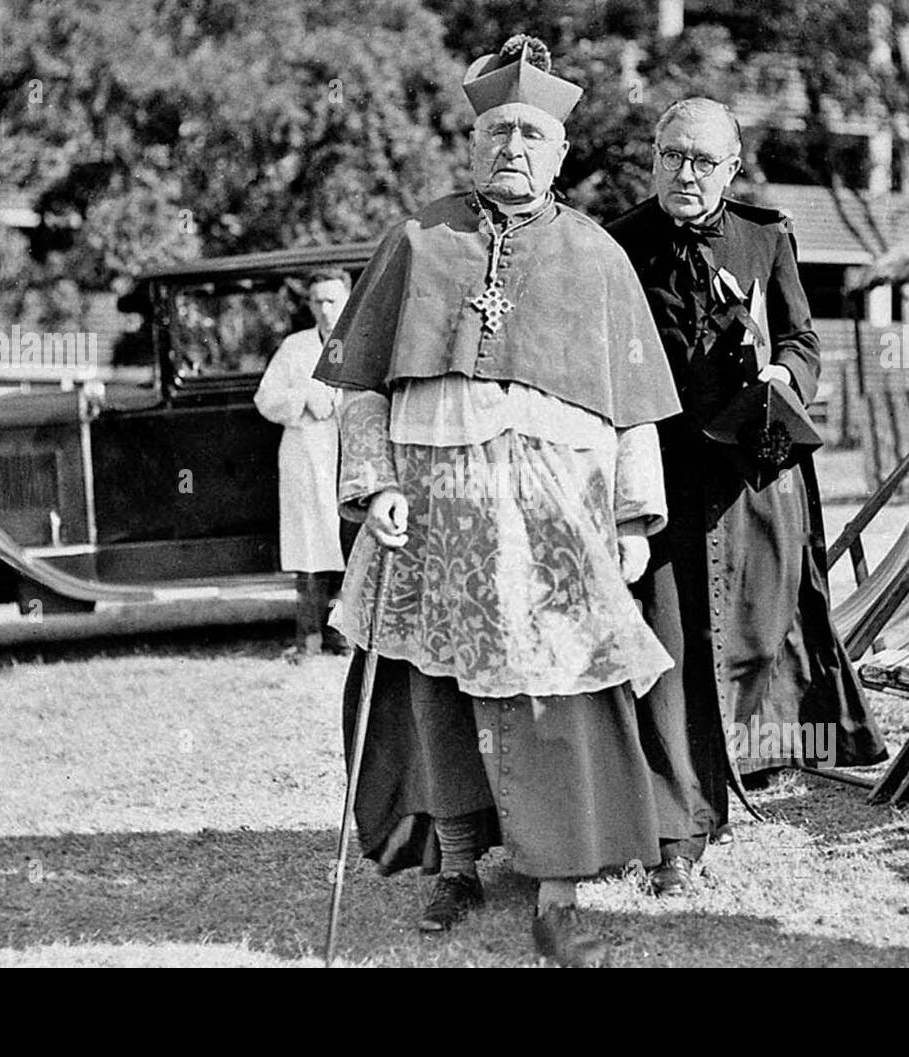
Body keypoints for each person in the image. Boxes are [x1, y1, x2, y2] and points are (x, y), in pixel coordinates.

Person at [313, 35, 681, 967]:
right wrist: (376, 482)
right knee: (435, 687)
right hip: (434, 509)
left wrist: (636, 516)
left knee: (557, 690)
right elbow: (361, 386)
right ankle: (458, 859)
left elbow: (634, 405)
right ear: (472, 140)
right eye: (497, 130)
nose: (512, 146)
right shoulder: (417, 238)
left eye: (531, 133)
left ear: (559, 152)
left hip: (553, 513)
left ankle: (559, 885)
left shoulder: (595, 252)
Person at [607, 98, 888, 897]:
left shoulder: (767, 237)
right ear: (653, 160)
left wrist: (784, 374)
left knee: (758, 641)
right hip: (662, 477)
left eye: (701, 160)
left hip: (756, 478)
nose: (683, 173)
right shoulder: (618, 245)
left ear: (732, 169)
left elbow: (804, 339)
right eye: (670, 156)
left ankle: (747, 773)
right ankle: (681, 831)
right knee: (675, 650)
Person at [254, 269, 352, 656]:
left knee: (348, 543)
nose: (326, 310)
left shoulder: (362, 341)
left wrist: (341, 403)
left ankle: (343, 634)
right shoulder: (295, 348)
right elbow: (266, 398)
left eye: (333, 300)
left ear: (347, 300)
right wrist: (304, 397)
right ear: (310, 304)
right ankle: (309, 636)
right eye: (319, 301)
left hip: (348, 451)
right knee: (310, 543)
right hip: (307, 452)